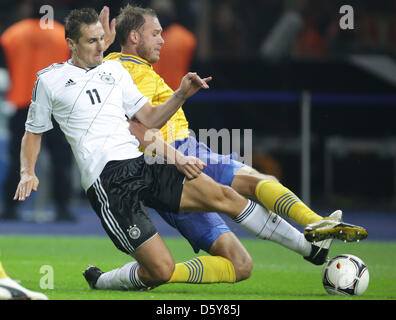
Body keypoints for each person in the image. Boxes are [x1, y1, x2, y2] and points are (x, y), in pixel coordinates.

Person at [15, 7, 366, 292]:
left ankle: (311, 245)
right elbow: (33, 132)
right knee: (163, 268)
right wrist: (28, 172)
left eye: (100, 40)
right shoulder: (52, 80)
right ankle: (107, 280)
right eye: (90, 42)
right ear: (71, 44)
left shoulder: (113, 73)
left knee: (234, 222)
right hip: (111, 183)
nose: (97, 48)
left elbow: (146, 121)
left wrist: (181, 102)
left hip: (148, 163)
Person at [0, 0, 75, 221]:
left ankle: (11, 208)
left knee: (19, 158)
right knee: (61, 159)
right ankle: (63, 208)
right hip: (54, 106)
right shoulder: (62, 34)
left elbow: (4, 71)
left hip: (23, 102)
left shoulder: (12, 34)